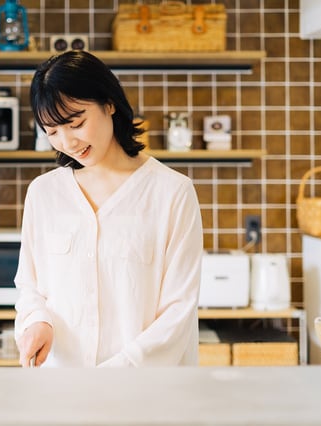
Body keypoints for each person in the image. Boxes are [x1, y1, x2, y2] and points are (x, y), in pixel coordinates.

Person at [14, 50, 203, 368]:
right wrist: (37, 321)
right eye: (52, 132)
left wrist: (114, 374)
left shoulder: (172, 193)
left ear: (109, 103)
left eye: (76, 123)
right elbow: (29, 286)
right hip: (63, 390)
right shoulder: (43, 194)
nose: (67, 142)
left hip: (144, 396)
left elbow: (179, 311)